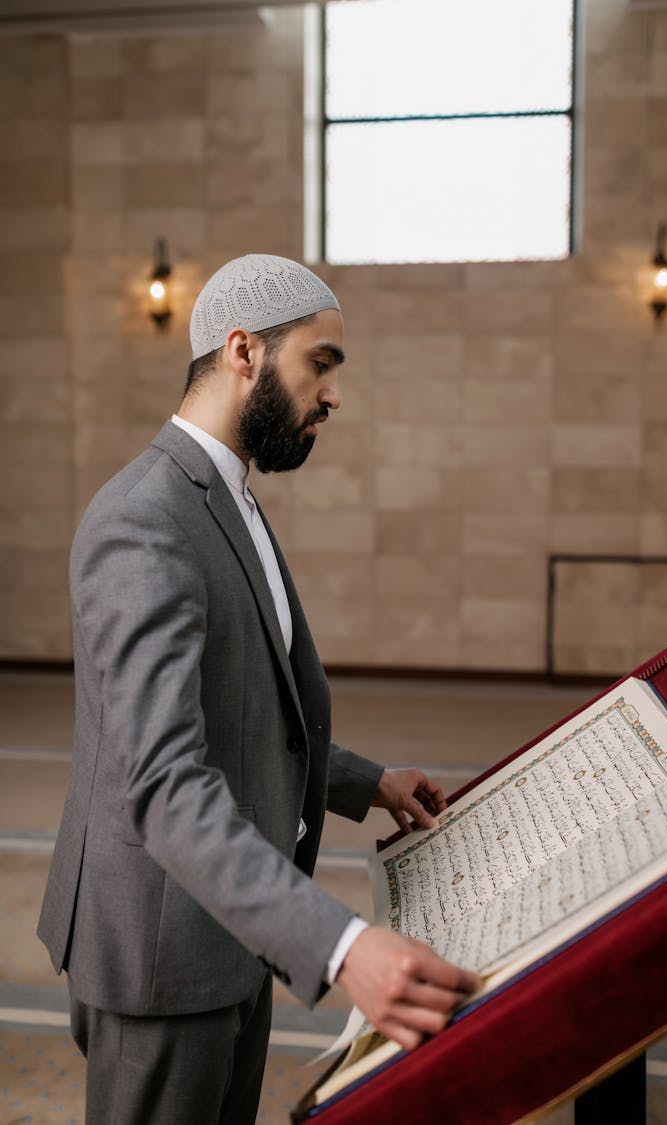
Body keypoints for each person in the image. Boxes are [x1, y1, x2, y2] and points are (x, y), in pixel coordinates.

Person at [38, 253, 480, 1125]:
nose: (335, 394)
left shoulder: (225, 495)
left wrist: (364, 781)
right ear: (244, 351)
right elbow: (163, 783)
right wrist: (343, 945)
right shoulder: (142, 520)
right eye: (321, 362)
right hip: (160, 955)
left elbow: (248, 705)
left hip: (234, 930)